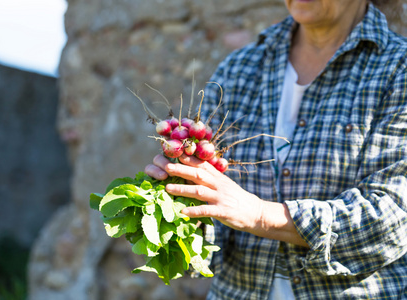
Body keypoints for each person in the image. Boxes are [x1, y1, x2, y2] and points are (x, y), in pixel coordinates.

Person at [145, 0, 407, 299]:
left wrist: (260, 215)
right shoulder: (242, 66)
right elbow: (216, 214)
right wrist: (180, 195)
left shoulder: (398, 70)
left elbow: (394, 217)